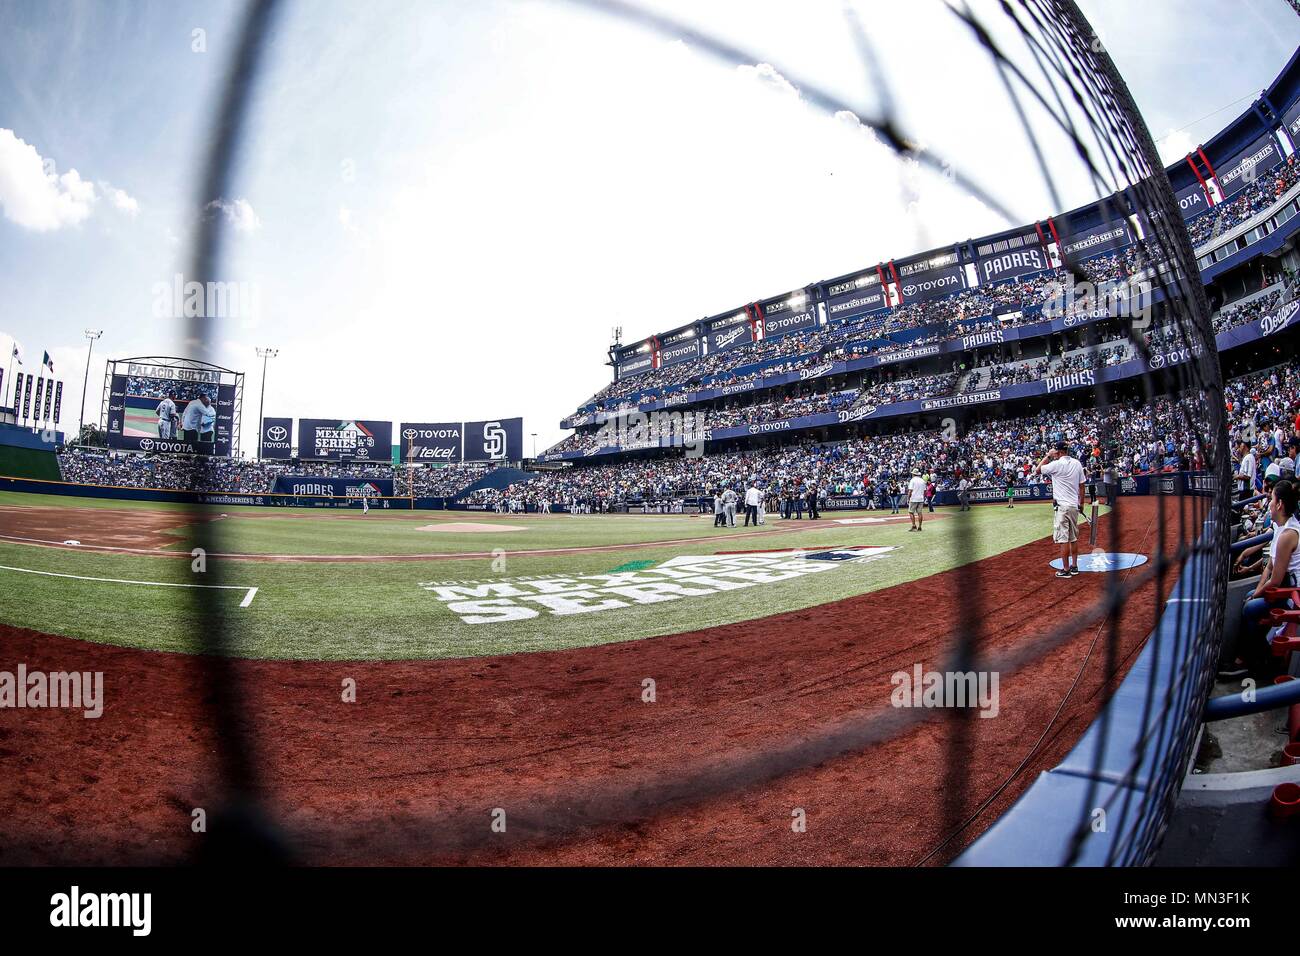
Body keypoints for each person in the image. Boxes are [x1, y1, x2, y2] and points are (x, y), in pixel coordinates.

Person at [1222, 479, 1300, 679]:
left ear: (1280, 504)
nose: (1269, 503)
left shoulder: (1288, 534)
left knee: (1249, 606)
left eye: (1272, 499)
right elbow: (1269, 569)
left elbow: (1275, 580)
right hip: (1281, 588)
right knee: (1249, 598)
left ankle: (1247, 661)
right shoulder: (1280, 527)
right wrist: (1256, 591)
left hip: (1292, 594)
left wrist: (1256, 595)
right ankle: (1246, 657)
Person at [1038, 441, 1087, 579]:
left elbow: (1037, 470)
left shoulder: (1055, 464)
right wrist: (1081, 503)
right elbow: (1082, 486)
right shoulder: (1077, 463)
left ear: (1058, 452)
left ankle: (1066, 569)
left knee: (1063, 539)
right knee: (1073, 538)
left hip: (1062, 507)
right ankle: (1074, 566)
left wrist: (1047, 456)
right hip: (1073, 506)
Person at [907, 467, 927, 532]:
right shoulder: (922, 481)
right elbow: (924, 491)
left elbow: (910, 491)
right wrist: (923, 497)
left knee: (911, 512)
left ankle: (914, 526)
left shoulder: (912, 480)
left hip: (914, 498)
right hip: (921, 498)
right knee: (920, 513)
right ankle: (920, 527)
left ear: (913, 474)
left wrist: (908, 498)